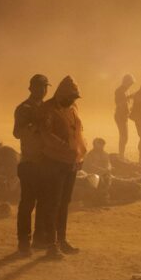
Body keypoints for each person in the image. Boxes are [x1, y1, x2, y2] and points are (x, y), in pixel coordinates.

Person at [36, 75, 87, 259]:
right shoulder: (48, 109)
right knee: (53, 203)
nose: (73, 100)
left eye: (75, 97)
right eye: (71, 96)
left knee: (64, 203)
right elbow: (46, 135)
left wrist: (80, 153)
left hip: (70, 163)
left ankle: (62, 240)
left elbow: (78, 132)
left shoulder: (72, 109)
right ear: (62, 94)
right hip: (54, 162)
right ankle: (52, 244)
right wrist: (67, 149)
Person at [13, 74, 49, 255]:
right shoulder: (23, 109)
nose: (42, 91)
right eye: (39, 87)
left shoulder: (47, 108)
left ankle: (39, 238)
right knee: (27, 203)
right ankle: (24, 242)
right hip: (29, 162)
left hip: (45, 163)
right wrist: (33, 127)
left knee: (43, 202)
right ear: (31, 88)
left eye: (45, 88)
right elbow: (17, 133)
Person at [113, 74, 134, 159]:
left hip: (124, 116)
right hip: (120, 116)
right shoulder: (119, 90)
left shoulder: (126, 90)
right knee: (124, 136)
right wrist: (129, 97)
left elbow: (127, 104)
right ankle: (121, 154)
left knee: (124, 136)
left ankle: (121, 154)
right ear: (126, 81)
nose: (131, 85)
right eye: (130, 83)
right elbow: (119, 103)